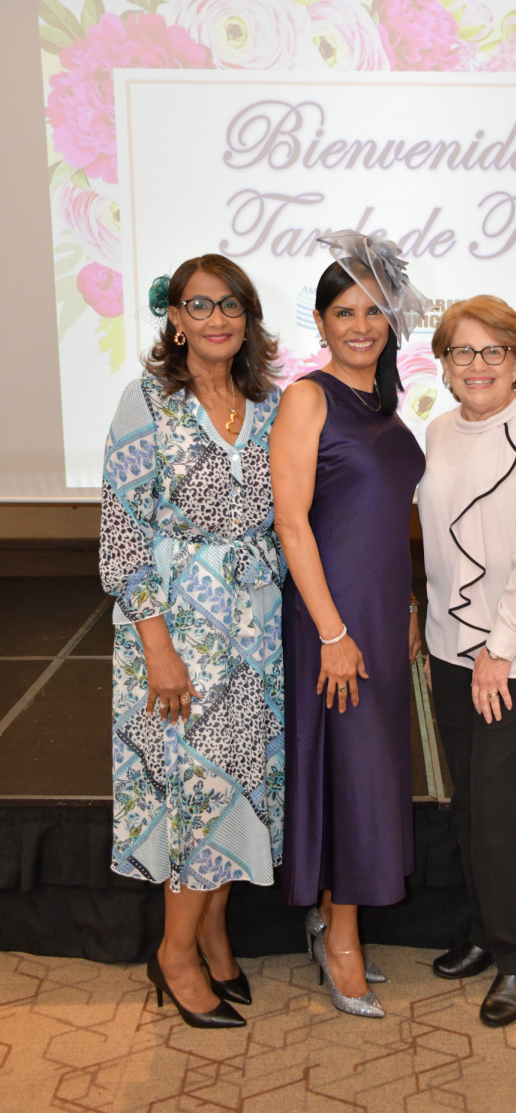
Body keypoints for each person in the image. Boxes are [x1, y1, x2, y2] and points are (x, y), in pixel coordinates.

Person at [100, 254, 284, 1030]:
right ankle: (174, 954)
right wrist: (158, 646)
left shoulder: (268, 402)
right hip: (176, 631)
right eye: (199, 305)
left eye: (231, 305)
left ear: (248, 317)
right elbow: (121, 530)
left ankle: (212, 933)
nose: (216, 319)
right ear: (173, 317)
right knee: (195, 791)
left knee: (238, 783)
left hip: (255, 631)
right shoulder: (146, 401)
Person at [271, 232, 427, 1019]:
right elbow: (293, 524)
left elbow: (386, 519)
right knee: (351, 769)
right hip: (332, 621)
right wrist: (333, 632)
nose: (360, 324)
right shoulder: (309, 396)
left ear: (391, 321)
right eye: (343, 311)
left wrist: (403, 607)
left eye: (373, 310)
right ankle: (340, 938)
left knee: (368, 769)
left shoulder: (383, 405)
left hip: (377, 617)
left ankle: (333, 917)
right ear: (323, 323)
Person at [417, 295, 516, 1028]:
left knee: (502, 808)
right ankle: (485, 929)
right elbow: (441, 542)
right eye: (462, 352)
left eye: (494, 352)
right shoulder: (439, 428)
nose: (477, 366)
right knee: (469, 804)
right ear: (444, 364)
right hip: (453, 647)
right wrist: (432, 628)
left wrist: (499, 649)